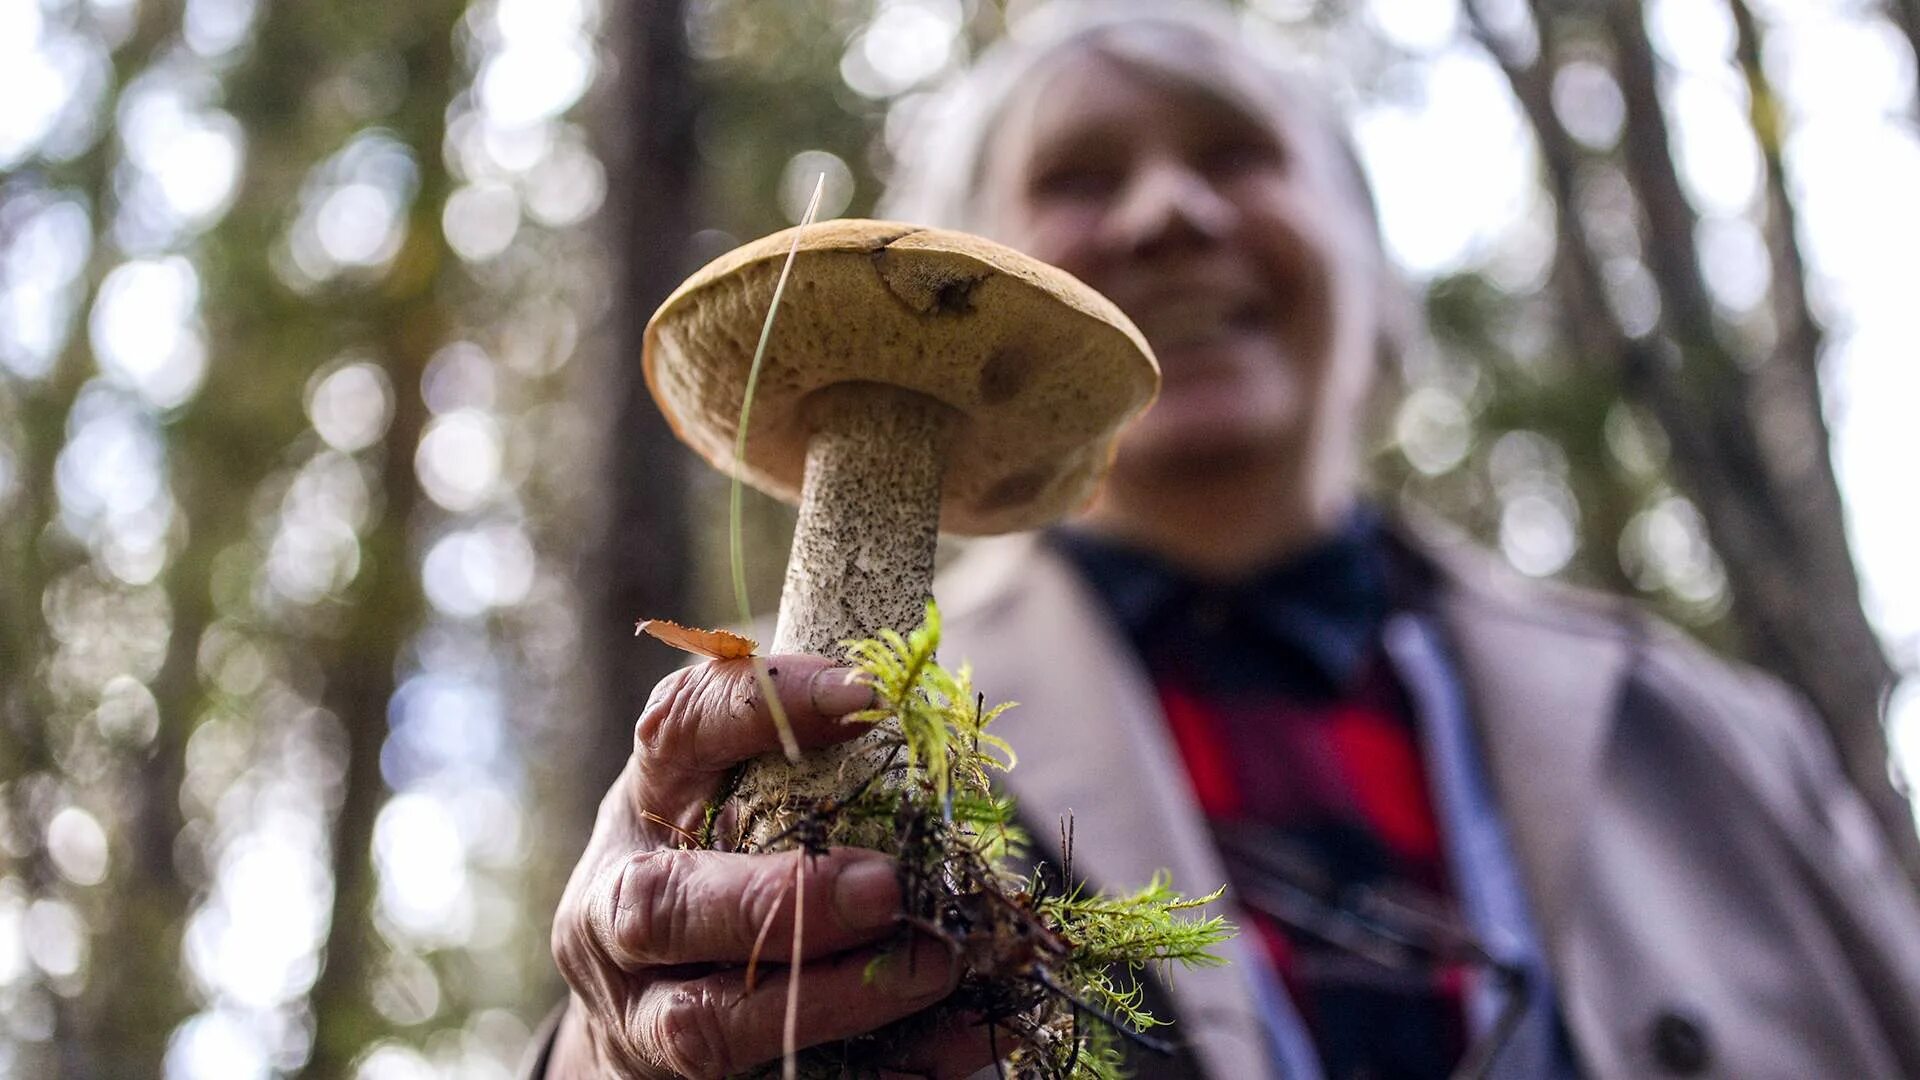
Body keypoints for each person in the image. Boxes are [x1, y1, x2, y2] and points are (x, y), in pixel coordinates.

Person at [532, 5, 1920, 1077]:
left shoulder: (1719, 739)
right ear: (952, 259)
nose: (1164, 213)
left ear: (1375, 277)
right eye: (1080, 176)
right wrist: (620, 1043)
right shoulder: (820, 740)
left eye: (1236, 155)